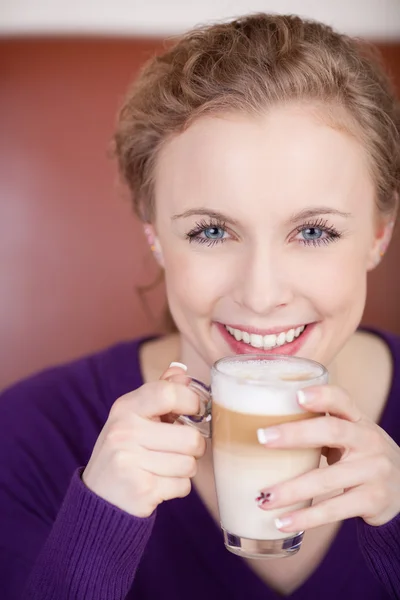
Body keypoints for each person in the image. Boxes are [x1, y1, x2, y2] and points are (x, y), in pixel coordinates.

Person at [1, 12, 400, 600]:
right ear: (155, 234)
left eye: (314, 231)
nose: (262, 296)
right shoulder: (27, 437)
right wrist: (96, 532)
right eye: (212, 232)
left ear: (378, 236)